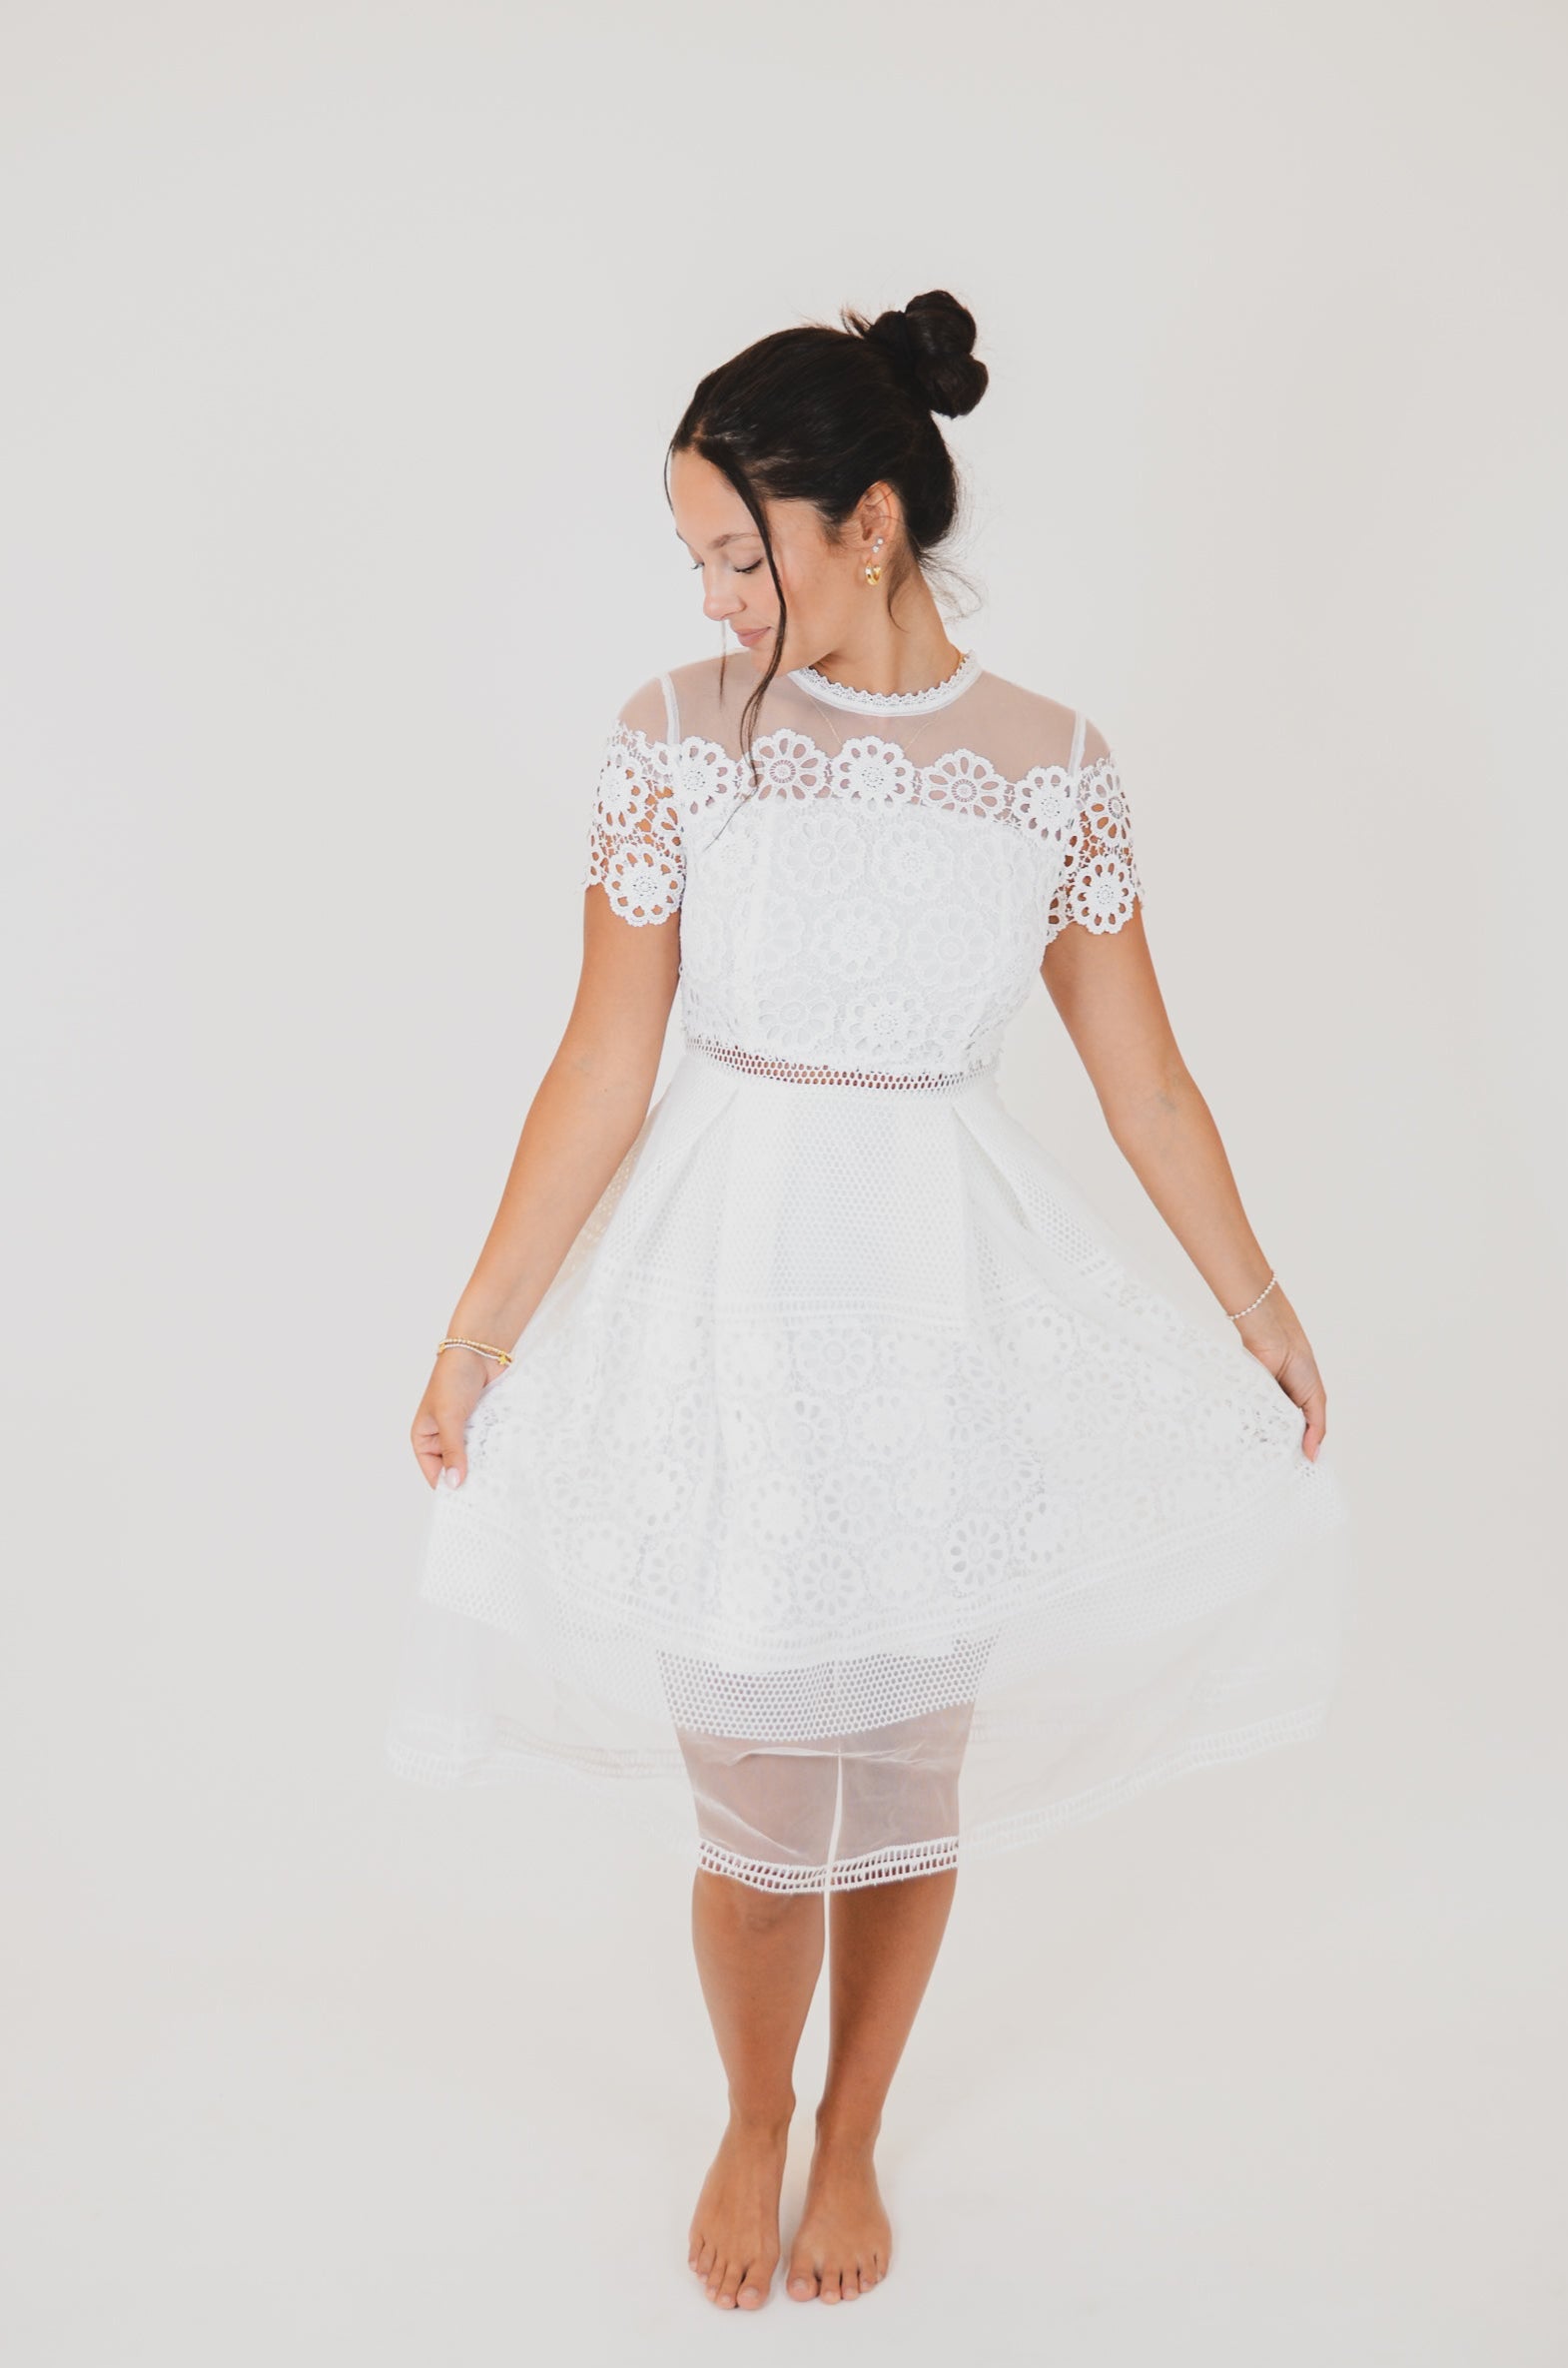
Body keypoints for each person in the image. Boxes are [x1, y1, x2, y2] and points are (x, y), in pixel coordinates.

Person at [387, 289, 1354, 2311]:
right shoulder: (677, 741)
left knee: (904, 1780)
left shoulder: (1050, 770)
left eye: (740, 555)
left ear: (872, 523)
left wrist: (1256, 1303)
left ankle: (852, 2127)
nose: (715, 599)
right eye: (694, 561)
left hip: (938, 1313)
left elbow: (1143, 1081)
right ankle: (754, 2106)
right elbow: (601, 1056)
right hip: (724, 1307)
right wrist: (478, 1331)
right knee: (755, 1813)